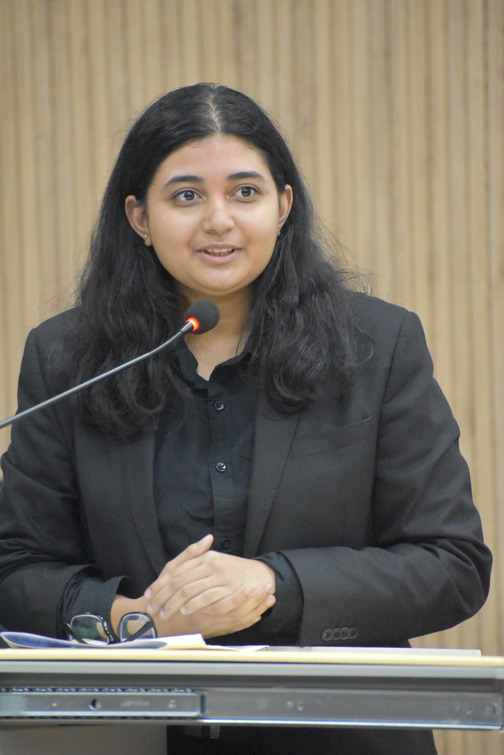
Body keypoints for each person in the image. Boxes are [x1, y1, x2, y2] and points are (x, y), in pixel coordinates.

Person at [0, 83, 491, 754]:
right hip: (133, 734)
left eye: (245, 192)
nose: (218, 220)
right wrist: (130, 617)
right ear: (139, 216)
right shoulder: (68, 358)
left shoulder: (378, 346)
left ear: (283, 206)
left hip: (339, 737)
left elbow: (451, 564)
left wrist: (274, 583)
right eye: (186, 196)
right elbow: (16, 567)